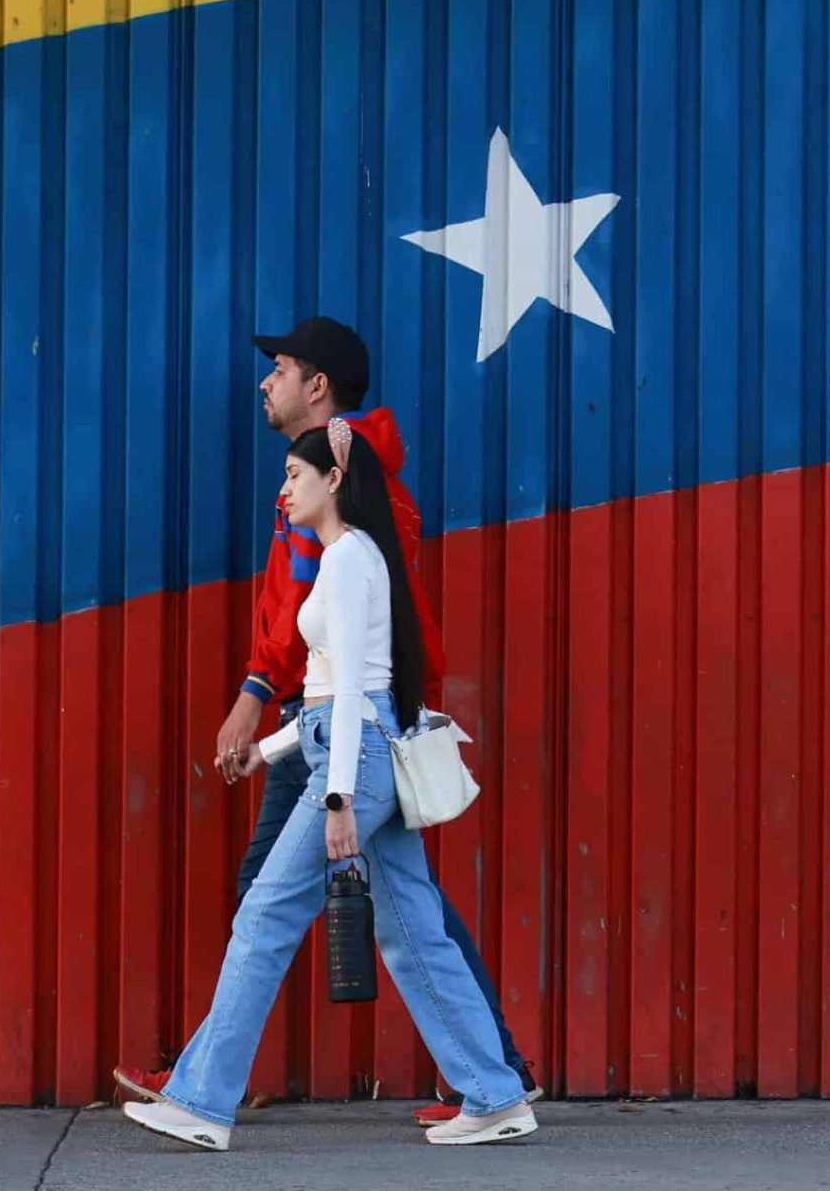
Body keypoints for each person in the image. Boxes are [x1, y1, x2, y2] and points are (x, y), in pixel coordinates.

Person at [111, 318, 538, 1123]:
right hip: (337, 734)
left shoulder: (346, 543)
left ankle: (200, 1094)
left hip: (350, 744)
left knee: (269, 909)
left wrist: (332, 787)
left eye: (279, 369)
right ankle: (496, 1086)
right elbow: (323, 666)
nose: (265, 383)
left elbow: (349, 680)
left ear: (319, 391)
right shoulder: (335, 518)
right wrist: (273, 741)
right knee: (410, 921)